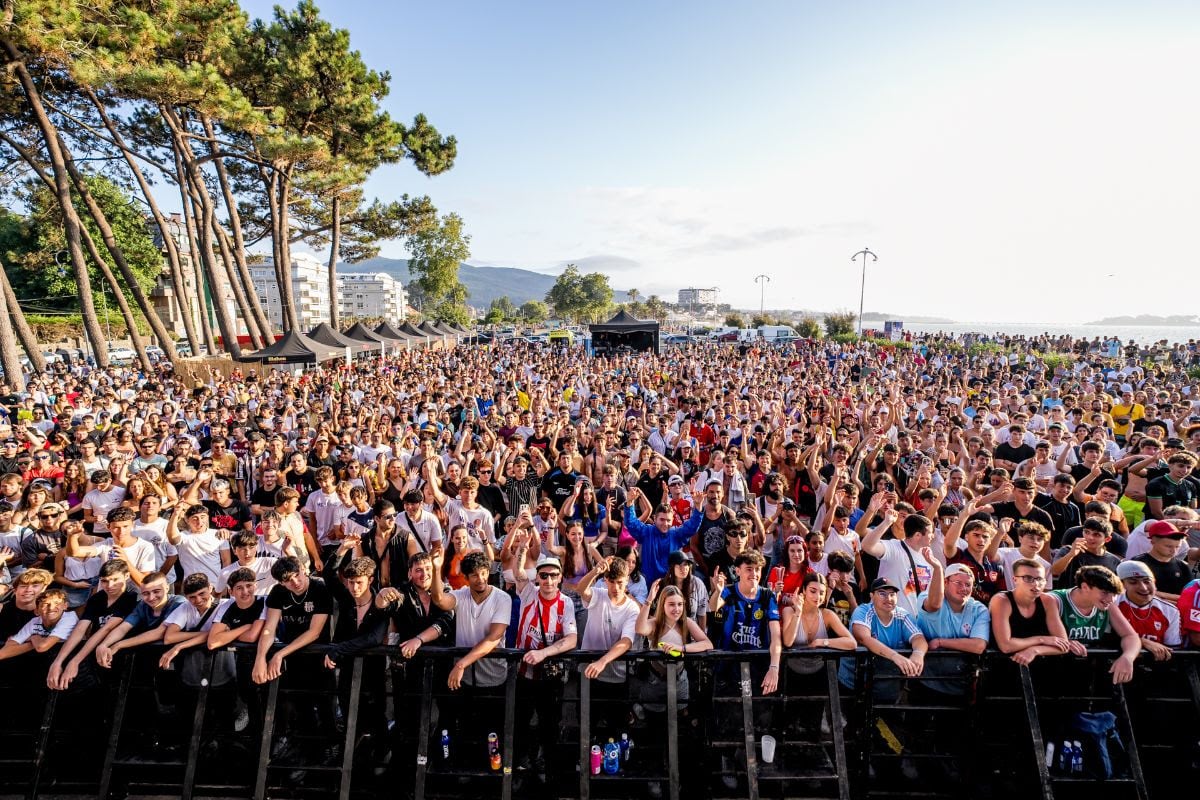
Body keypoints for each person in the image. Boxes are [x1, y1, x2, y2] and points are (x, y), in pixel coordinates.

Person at [511, 550, 578, 779]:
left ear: (560, 577)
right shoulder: (529, 593)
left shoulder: (566, 603)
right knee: (520, 720)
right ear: (538, 577)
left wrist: (543, 653)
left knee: (549, 724)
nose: (548, 580)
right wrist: (522, 544)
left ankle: (547, 767)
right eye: (544, 575)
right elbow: (518, 571)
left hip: (550, 676)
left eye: (553, 575)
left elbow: (571, 638)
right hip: (524, 674)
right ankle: (520, 764)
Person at [46, 559, 138, 690]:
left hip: (117, 650)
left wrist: (75, 661)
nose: (110, 585)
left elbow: (106, 629)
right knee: (58, 663)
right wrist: (58, 662)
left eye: (115, 579)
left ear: (127, 576)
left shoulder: (131, 597)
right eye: (104, 581)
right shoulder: (97, 598)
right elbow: (80, 629)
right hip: (93, 647)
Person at [839, 576, 928, 703]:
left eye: (892, 594)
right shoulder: (863, 611)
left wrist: (918, 654)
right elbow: (863, 638)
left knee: (887, 718)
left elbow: (918, 637)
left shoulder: (902, 615)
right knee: (853, 719)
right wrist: (895, 656)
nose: (888, 598)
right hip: (853, 682)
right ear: (871, 596)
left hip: (885, 684)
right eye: (882, 594)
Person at [1048, 565, 1140, 684]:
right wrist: (1062, 642)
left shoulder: (1108, 605)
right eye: (1105, 593)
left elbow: (1130, 636)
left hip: (1087, 674)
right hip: (1052, 673)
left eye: (1114, 594)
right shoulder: (1054, 600)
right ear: (1085, 587)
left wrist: (1128, 657)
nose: (1111, 599)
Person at [989, 559, 1072, 666]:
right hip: (1004, 665)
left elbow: (1062, 644)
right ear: (1015, 580)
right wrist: (1042, 639)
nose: (1036, 584)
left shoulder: (1048, 600)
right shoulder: (1001, 600)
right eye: (1028, 578)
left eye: (1040, 579)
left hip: (1041, 666)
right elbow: (1006, 646)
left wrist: (1034, 650)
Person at [860, 501, 935, 616]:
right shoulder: (893, 547)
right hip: (889, 619)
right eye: (930, 532)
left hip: (916, 622)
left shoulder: (928, 557)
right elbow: (867, 546)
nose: (933, 536)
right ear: (918, 535)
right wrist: (886, 522)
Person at [621, 486, 703, 584]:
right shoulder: (646, 532)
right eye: (662, 519)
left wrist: (698, 507)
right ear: (655, 519)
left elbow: (692, 527)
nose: (665, 523)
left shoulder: (676, 534)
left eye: (668, 520)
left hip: (670, 584)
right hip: (648, 585)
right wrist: (630, 502)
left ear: (672, 521)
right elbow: (631, 523)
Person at [1114, 560, 1180, 661]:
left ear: (1155, 583)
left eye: (1147, 581)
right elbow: (1104, 641)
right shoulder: (1112, 604)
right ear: (1122, 585)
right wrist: (1141, 642)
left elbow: (1173, 649)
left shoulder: (1170, 611)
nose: (1143, 588)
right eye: (1133, 582)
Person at [1131, 519, 1197, 602]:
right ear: (1153, 541)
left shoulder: (1183, 566)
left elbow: (1191, 596)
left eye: (1177, 547)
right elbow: (1134, 591)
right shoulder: (1138, 563)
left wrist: (1157, 595)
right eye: (1168, 546)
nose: (1173, 551)